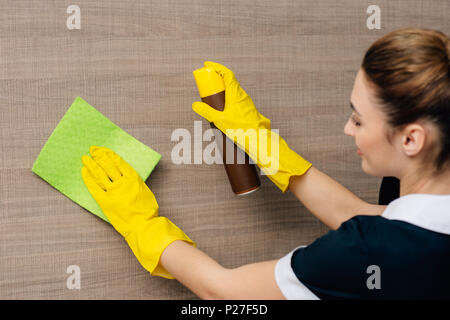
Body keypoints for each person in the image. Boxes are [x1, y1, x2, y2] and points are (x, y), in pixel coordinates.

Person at [81, 27, 450, 299]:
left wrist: (141, 225)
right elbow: (371, 217)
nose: (347, 128)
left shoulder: (362, 253)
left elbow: (223, 292)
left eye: (358, 119)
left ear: (411, 139)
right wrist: (266, 148)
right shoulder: (417, 224)